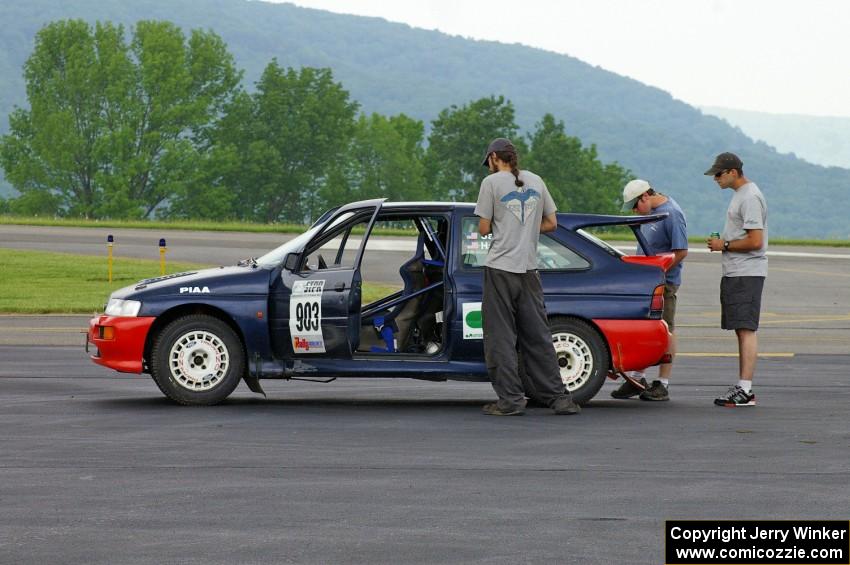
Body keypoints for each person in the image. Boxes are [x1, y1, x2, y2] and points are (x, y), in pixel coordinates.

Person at [474, 137, 580, 416]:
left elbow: (484, 228)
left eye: (489, 162)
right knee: (538, 337)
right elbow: (552, 223)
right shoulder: (536, 180)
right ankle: (560, 398)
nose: (488, 166)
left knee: (500, 338)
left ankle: (510, 400)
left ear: (496, 157)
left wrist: (504, 226)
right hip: (529, 271)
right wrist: (527, 230)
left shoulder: (491, 184)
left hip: (500, 269)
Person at [610, 179, 688, 402]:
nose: (635, 211)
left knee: (667, 328)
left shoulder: (671, 214)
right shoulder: (650, 212)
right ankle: (637, 379)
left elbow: (681, 251)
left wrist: (659, 272)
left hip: (664, 281)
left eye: (635, 206)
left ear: (645, 197)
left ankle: (662, 383)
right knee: (644, 329)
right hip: (648, 281)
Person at [704, 152, 768, 407]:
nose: (715, 179)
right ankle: (743, 386)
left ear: (733, 172)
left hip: (747, 271)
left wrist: (725, 244)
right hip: (737, 271)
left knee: (746, 329)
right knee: (741, 329)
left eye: (718, 174)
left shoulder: (750, 196)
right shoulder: (740, 196)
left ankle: (746, 388)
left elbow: (755, 241)